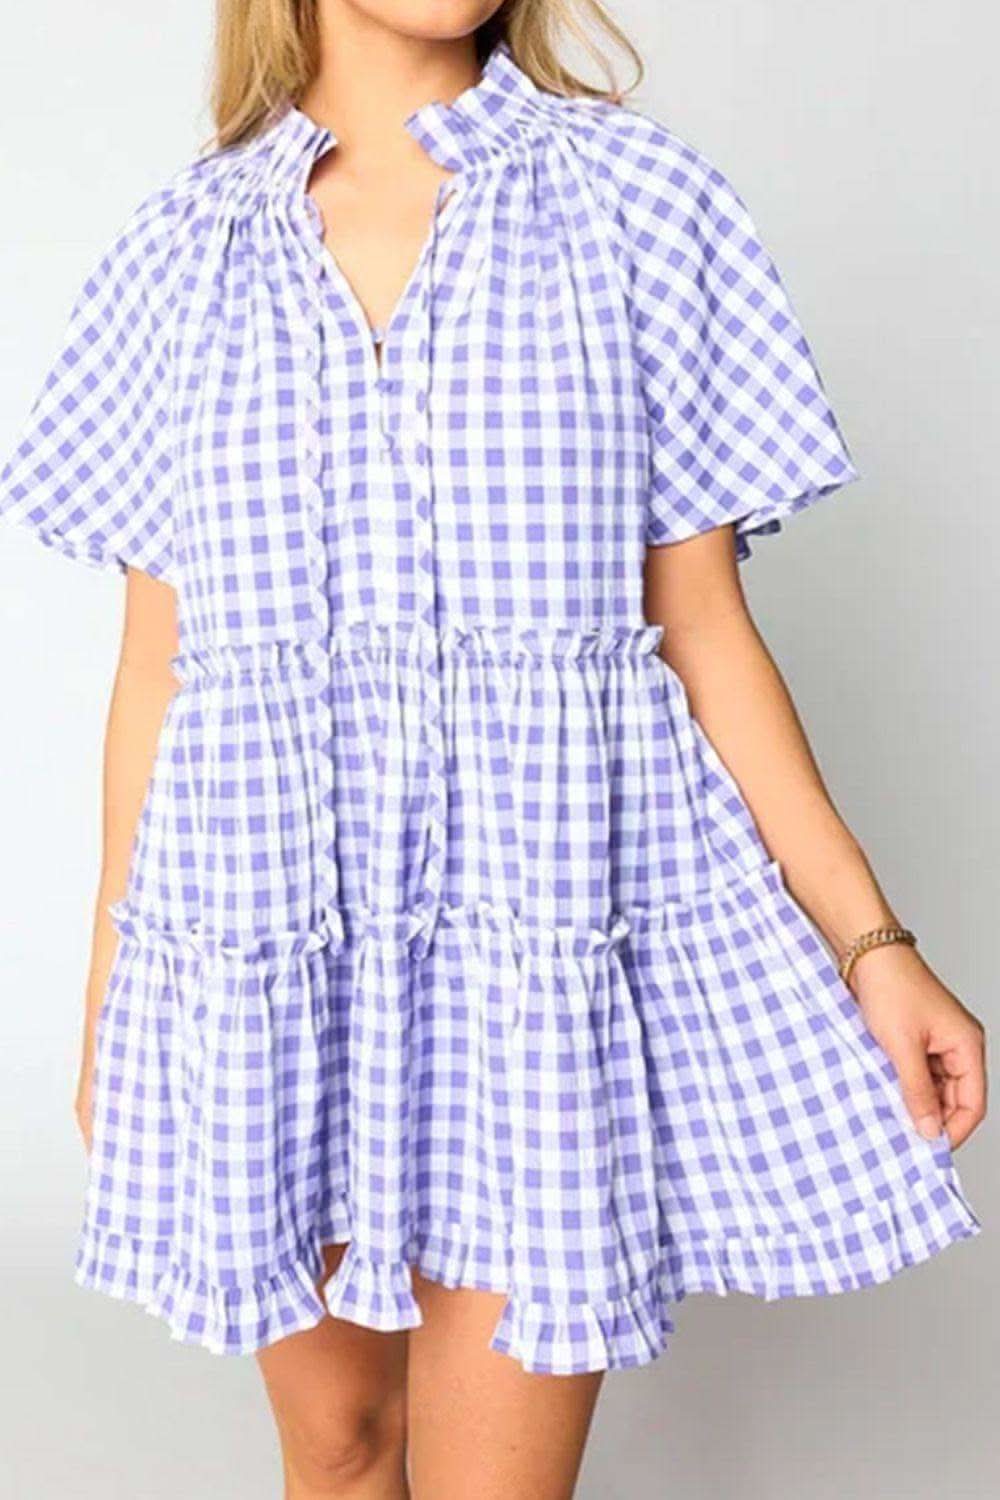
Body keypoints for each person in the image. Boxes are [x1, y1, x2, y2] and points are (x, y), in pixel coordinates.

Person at [0, 3, 985, 1497]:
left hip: (533, 961)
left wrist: (875, 944)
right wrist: (111, 1006)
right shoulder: (179, 250)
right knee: (341, 1453)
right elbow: (159, 673)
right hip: (276, 956)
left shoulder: (638, 203)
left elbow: (701, 627)